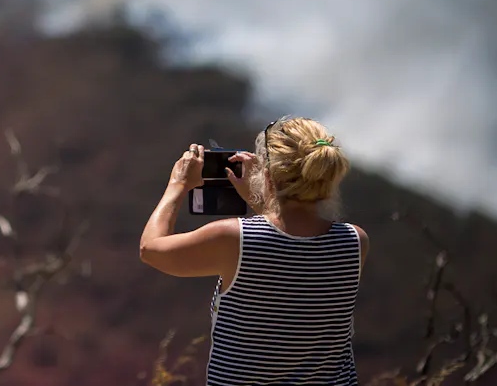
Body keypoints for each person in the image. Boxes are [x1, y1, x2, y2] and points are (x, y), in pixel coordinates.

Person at [139, 116, 369, 386]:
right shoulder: (355, 242)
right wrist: (266, 200)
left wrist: (178, 184)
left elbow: (150, 249)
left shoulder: (234, 238)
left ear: (268, 175)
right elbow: (293, 252)